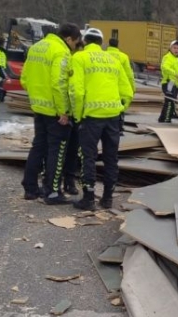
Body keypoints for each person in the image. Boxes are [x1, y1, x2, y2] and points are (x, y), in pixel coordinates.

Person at [70, 28, 133, 210]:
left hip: (91, 117)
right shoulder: (113, 60)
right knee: (111, 158)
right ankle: (107, 198)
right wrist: (121, 108)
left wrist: (78, 115)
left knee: (88, 157)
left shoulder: (79, 58)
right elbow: (127, 91)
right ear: (101, 42)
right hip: (113, 117)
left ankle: (88, 199)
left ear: (86, 41)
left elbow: (77, 91)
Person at [20, 23, 82, 204]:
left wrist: (37, 96)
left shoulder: (36, 47)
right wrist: (63, 111)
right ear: (69, 38)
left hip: (38, 107)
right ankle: (52, 192)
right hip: (55, 111)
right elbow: (58, 83)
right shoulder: (60, 52)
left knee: (38, 147)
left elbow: (25, 79)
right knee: (57, 150)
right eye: (75, 42)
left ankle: (30, 188)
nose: (74, 47)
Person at [63, 39, 85, 196]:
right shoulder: (66, 63)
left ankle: (69, 181)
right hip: (65, 114)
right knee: (59, 150)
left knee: (73, 151)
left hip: (78, 115)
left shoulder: (83, 66)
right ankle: (52, 182)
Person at [106, 38, 136, 135]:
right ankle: (119, 128)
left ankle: (106, 126)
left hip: (107, 84)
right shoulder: (123, 57)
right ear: (118, 45)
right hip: (120, 86)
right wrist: (132, 88)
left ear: (108, 44)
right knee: (120, 107)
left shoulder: (103, 55)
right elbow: (129, 74)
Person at [158, 40, 178, 123]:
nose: (176, 50)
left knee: (171, 101)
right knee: (169, 101)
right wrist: (174, 73)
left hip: (175, 84)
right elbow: (164, 67)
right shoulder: (167, 57)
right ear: (170, 48)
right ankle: (167, 119)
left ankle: (162, 118)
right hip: (168, 83)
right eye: (174, 48)